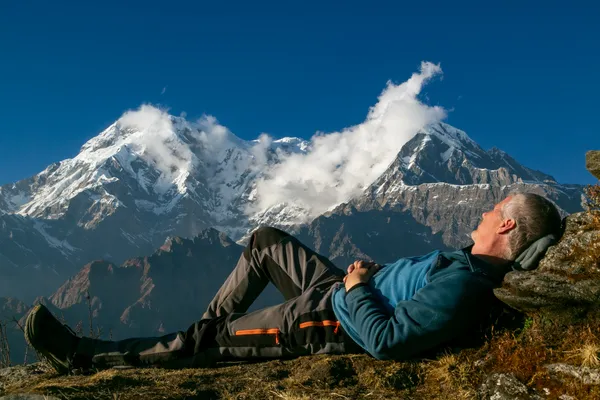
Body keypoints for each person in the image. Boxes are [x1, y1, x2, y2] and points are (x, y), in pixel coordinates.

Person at [24, 193, 562, 374]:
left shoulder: (467, 285)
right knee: (264, 240)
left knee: (210, 342)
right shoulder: (466, 263)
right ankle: (203, 338)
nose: (487, 211)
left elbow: (387, 341)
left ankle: (84, 356)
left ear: (508, 225)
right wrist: (359, 280)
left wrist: (355, 290)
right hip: (343, 290)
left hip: (328, 320)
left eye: (495, 209)